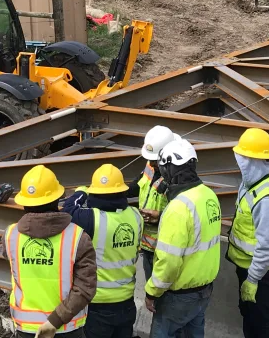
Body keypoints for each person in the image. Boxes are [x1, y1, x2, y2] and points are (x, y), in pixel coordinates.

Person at [3, 164, 96, 338]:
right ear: (57, 199)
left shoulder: (10, 235)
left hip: (26, 329)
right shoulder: (78, 237)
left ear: (24, 203)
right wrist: (54, 321)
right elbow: (85, 288)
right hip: (67, 328)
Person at [145, 138, 222, 338]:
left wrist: (152, 292)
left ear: (170, 169)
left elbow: (169, 263)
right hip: (203, 291)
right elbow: (195, 232)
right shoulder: (208, 195)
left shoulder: (177, 209)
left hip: (178, 296)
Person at [62, 164, 143, 338]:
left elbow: (68, 210)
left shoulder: (92, 219)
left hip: (99, 304)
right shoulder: (136, 216)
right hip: (127, 301)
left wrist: (81, 192)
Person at [226, 128, 269, 338]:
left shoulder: (267, 199)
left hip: (262, 270)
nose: (239, 161)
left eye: (243, 157)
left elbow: (267, 245)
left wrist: (253, 279)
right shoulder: (257, 177)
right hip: (250, 264)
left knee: (261, 321)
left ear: (252, 160)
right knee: (250, 315)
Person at [124, 125, 178, 280]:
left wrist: (160, 216)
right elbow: (137, 186)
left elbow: (184, 214)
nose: (151, 163)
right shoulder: (151, 164)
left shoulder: (177, 175)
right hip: (148, 244)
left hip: (166, 247)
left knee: (163, 291)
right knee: (151, 287)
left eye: (154, 160)